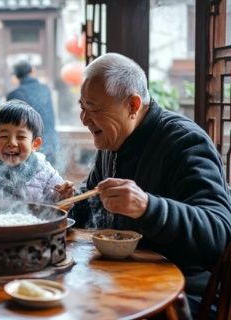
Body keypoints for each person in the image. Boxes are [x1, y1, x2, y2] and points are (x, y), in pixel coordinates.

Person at [69, 52, 231, 316]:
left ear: (133, 105)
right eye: (82, 107)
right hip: (123, 281)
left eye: (93, 108)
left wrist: (147, 206)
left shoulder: (184, 142)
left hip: (179, 297)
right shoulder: (112, 142)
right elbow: (89, 204)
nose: (84, 119)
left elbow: (218, 232)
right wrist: (61, 208)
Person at [6, 60, 59, 166]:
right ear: (32, 71)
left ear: (16, 75)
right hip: (51, 142)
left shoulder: (14, 94)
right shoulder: (45, 89)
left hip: (28, 145)